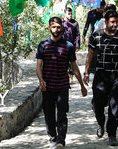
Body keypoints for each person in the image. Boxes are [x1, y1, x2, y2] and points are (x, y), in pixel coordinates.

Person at [36, 16, 88, 149]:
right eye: (54, 27)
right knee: (49, 115)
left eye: (58, 27)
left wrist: (82, 85)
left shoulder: (68, 46)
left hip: (62, 86)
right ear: (49, 28)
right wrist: (41, 80)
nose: (56, 29)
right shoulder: (43, 45)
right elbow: (38, 66)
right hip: (47, 87)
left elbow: (74, 67)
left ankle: (60, 141)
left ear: (62, 28)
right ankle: (52, 138)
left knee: (62, 115)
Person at [84, 10, 118, 147]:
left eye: (116, 22)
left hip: (116, 76)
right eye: (112, 22)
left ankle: (112, 134)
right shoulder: (97, 36)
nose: (115, 24)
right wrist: (86, 72)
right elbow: (90, 55)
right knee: (97, 104)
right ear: (105, 22)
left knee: (114, 106)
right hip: (100, 76)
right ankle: (100, 123)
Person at [62, 7, 81, 82]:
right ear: (65, 14)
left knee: (72, 61)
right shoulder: (61, 23)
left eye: (71, 14)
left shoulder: (75, 23)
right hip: (62, 46)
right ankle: (64, 76)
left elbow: (77, 35)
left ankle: (71, 76)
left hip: (71, 46)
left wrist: (77, 45)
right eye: (68, 14)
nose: (70, 15)